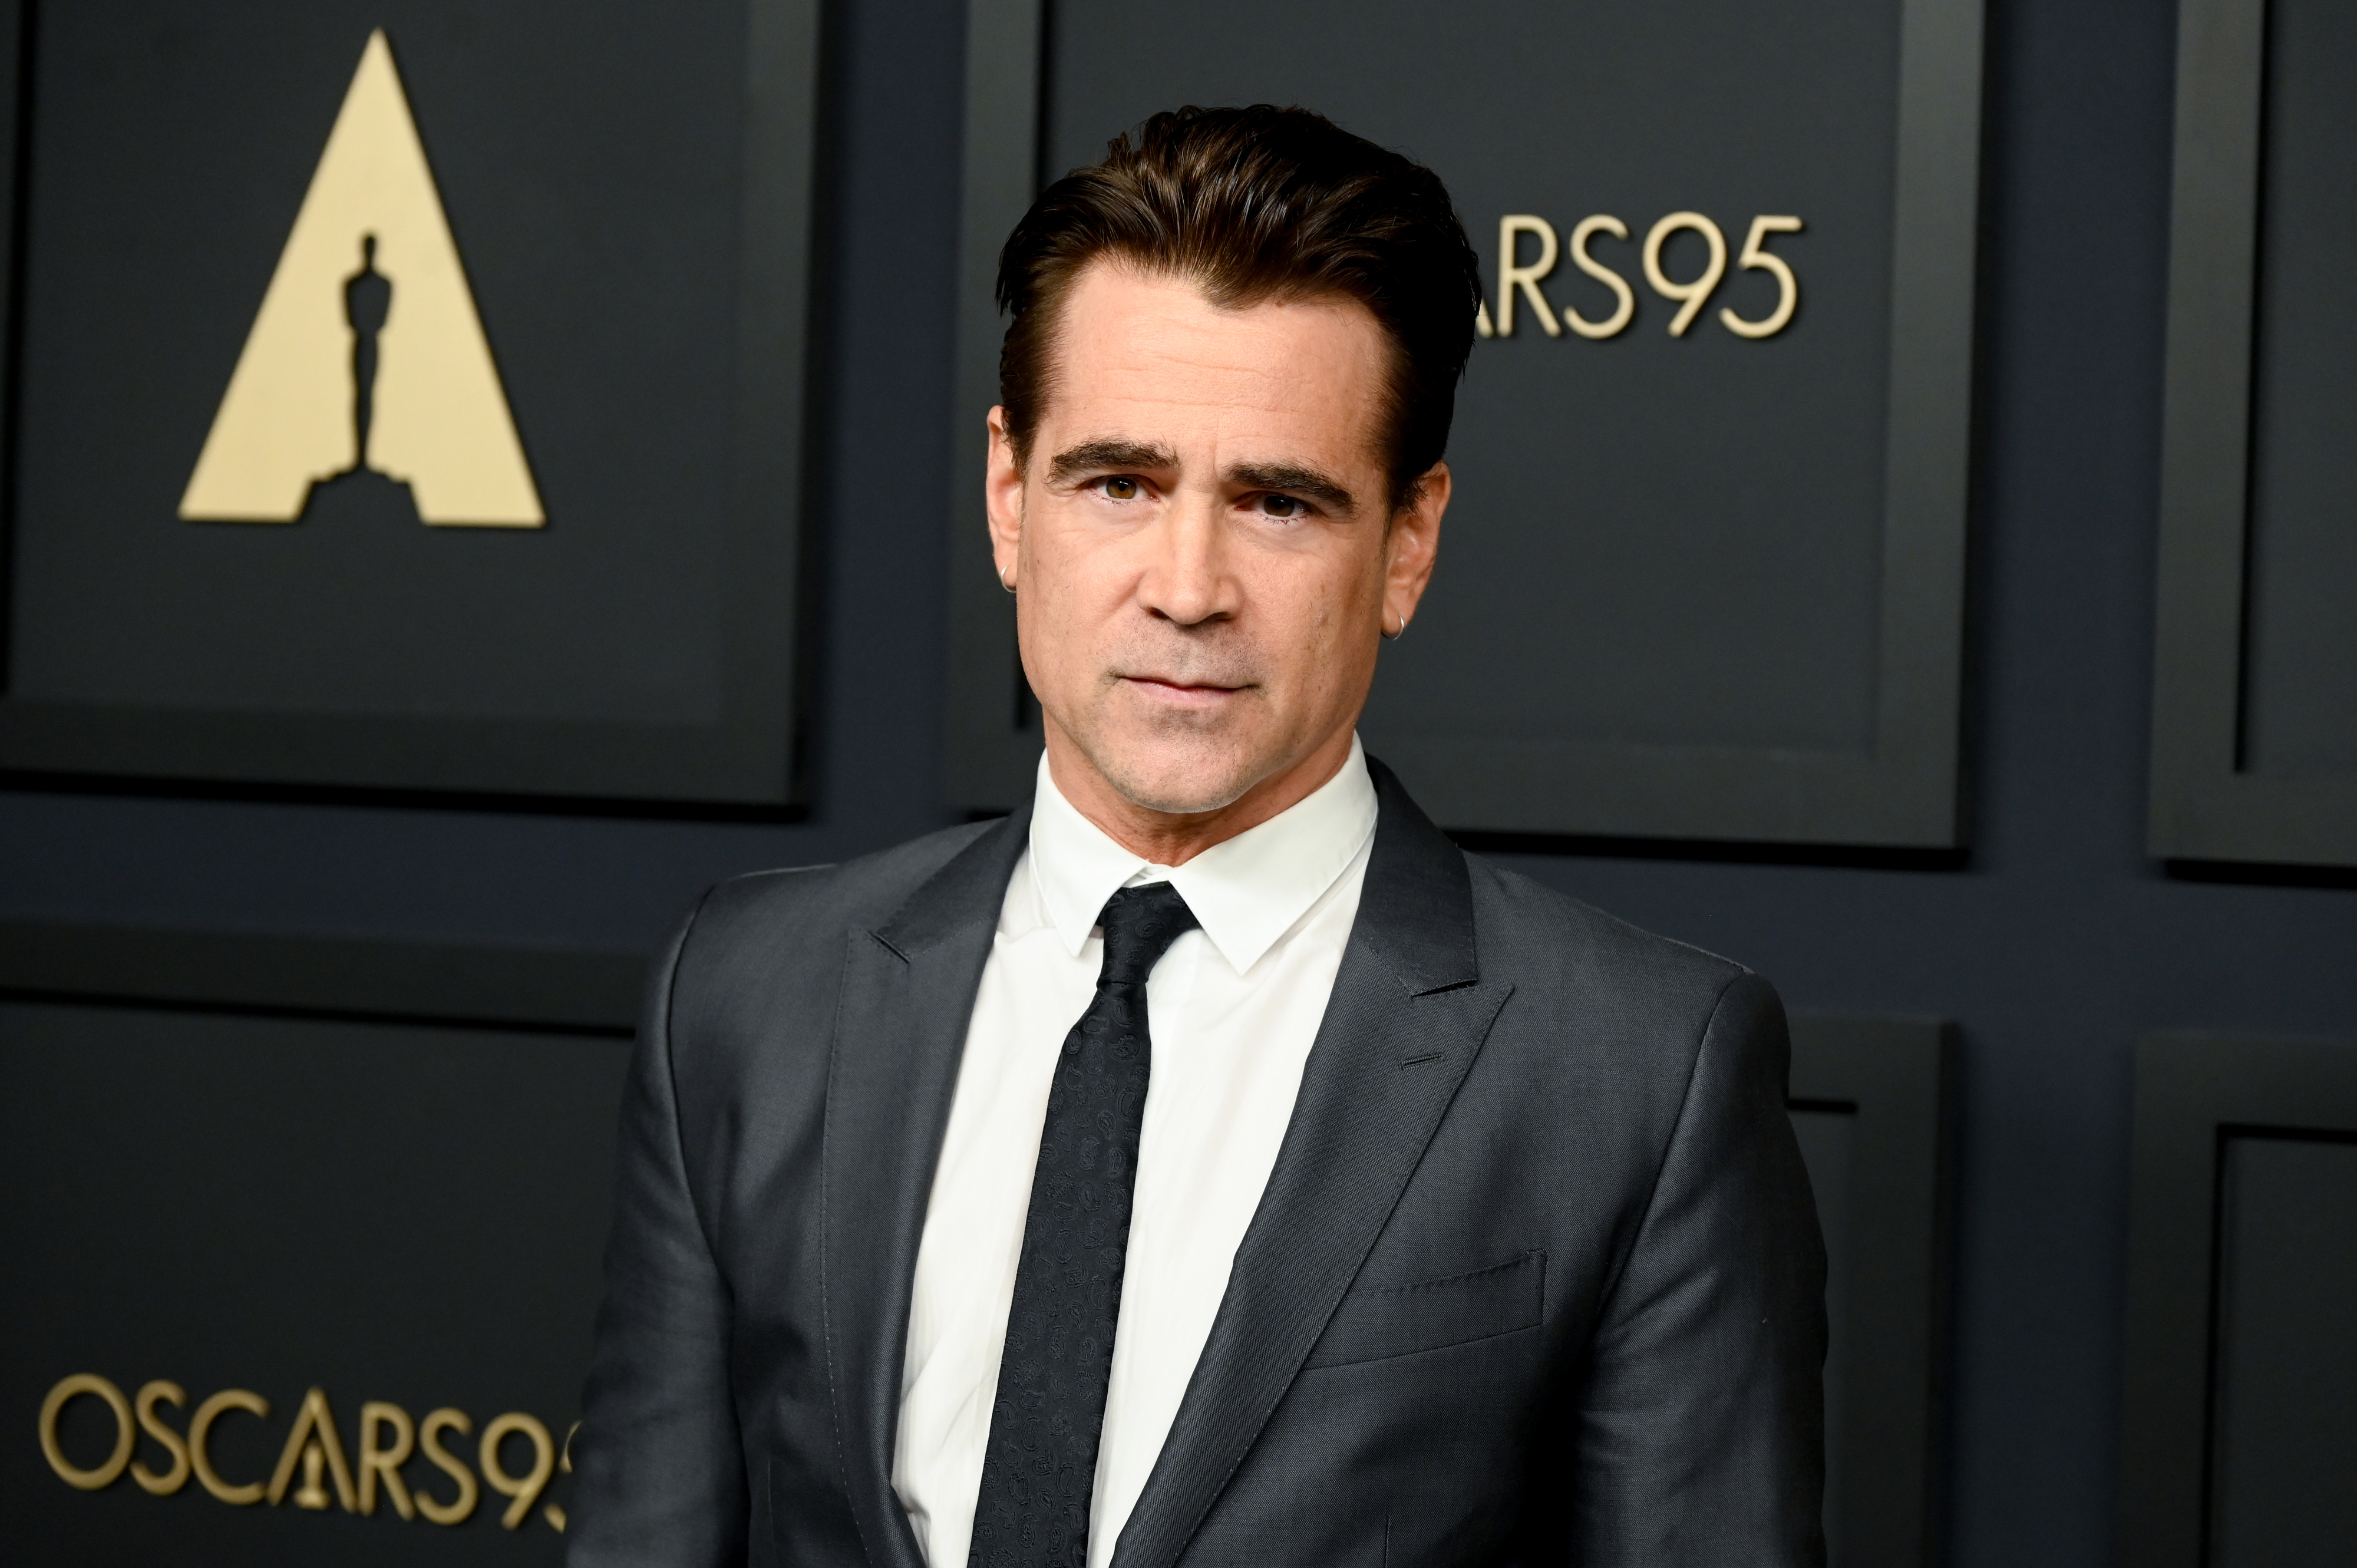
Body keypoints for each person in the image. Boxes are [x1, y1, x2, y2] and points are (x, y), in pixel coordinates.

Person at [568, 104, 1824, 1568]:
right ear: (1007, 496)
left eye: (1277, 503)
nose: (1187, 585)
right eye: (1119, 482)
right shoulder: (745, 988)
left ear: (1406, 543)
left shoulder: (1639, 1073)